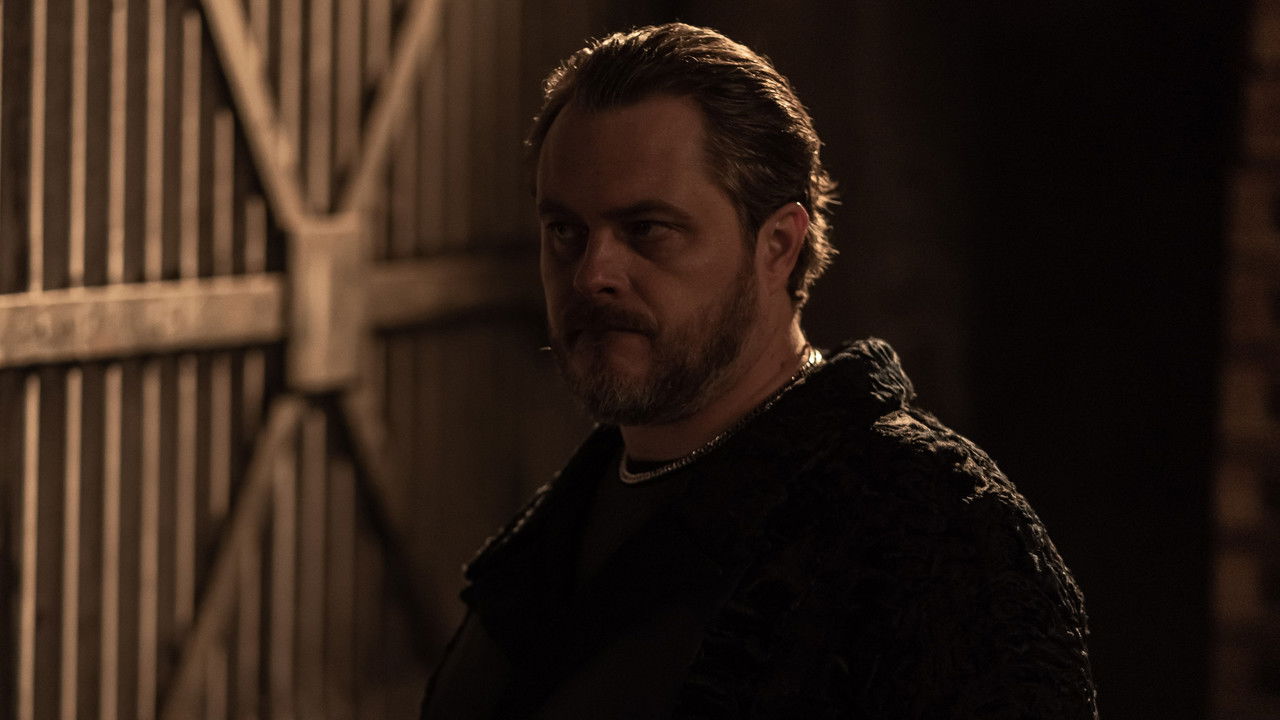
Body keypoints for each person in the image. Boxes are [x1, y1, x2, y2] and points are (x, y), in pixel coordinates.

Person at [421, 23, 1098, 719]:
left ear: (777, 245)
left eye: (647, 229)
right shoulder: (565, 519)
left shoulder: (936, 530)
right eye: (565, 231)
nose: (592, 275)